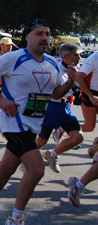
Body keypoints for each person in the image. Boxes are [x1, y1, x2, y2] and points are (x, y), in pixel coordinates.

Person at [0, 19, 77, 225]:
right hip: (14, 123)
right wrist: (1, 99)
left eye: (47, 34)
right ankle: (16, 217)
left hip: (33, 125)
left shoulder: (52, 63)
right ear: (28, 37)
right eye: (39, 33)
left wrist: (71, 83)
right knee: (37, 169)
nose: (45, 38)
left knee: (7, 169)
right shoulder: (14, 58)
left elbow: (55, 93)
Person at [35, 42, 84, 173]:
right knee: (42, 141)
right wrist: (70, 83)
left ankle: (52, 154)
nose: (79, 57)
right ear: (65, 56)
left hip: (65, 107)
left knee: (77, 138)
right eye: (76, 55)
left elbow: (75, 84)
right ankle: (26, 159)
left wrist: (77, 89)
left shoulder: (74, 66)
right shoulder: (55, 70)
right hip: (52, 107)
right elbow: (55, 94)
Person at [74, 49, 98, 135]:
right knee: (89, 127)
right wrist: (90, 96)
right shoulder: (94, 58)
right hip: (90, 93)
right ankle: (64, 128)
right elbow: (79, 78)